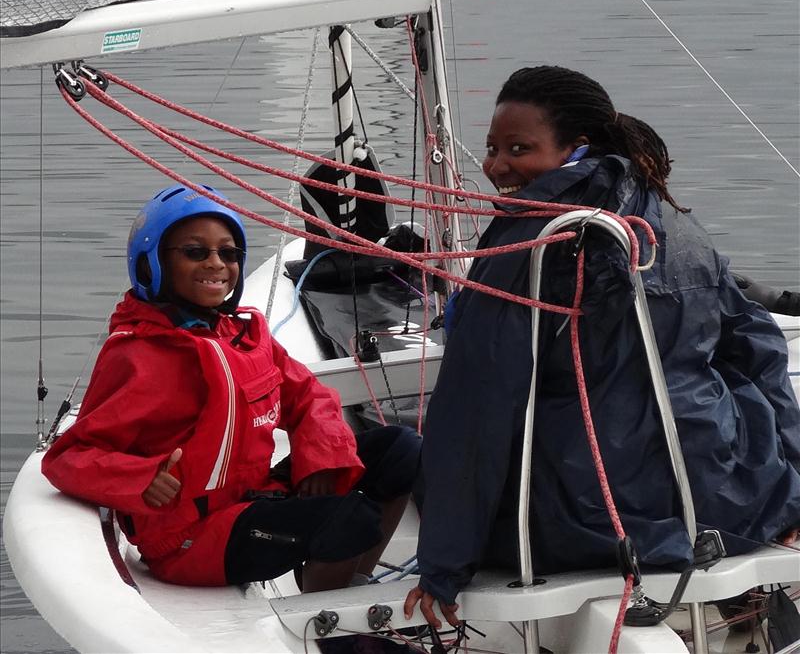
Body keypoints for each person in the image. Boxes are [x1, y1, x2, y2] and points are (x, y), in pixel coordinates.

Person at [404, 66, 800, 629]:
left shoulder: (534, 241)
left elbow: (478, 404)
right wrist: (790, 485)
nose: (495, 167)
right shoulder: (673, 222)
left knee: (402, 453)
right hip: (730, 498)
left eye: (519, 149)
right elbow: (759, 346)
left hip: (596, 519)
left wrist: (444, 563)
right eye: (493, 149)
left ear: (576, 149)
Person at [43, 184, 420, 592]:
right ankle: (329, 619)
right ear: (153, 262)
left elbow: (308, 396)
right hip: (189, 537)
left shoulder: (245, 333)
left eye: (228, 253)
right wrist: (141, 477)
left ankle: (353, 582)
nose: (216, 264)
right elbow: (69, 456)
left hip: (253, 498)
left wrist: (321, 459)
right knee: (353, 518)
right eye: (195, 252)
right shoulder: (138, 354)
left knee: (403, 451)